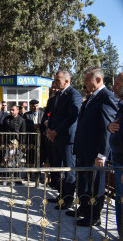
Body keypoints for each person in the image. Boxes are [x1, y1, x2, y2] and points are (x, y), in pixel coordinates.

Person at [72, 67, 118, 226]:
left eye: (87, 80)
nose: (84, 83)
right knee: (84, 182)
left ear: (98, 80)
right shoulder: (92, 97)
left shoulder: (106, 97)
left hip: (95, 152)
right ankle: (84, 209)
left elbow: (108, 128)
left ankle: (94, 216)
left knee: (95, 184)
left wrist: (102, 154)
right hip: (84, 150)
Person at [46, 71, 82, 210]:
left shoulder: (74, 94)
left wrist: (57, 131)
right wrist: (50, 129)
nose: (55, 82)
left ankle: (67, 200)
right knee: (59, 168)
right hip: (56, 137)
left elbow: (72, 117)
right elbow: (53, 115)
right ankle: (61, 195)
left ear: (67, 81)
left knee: (69, 170)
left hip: (67, 139)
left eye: (57, 80)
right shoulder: (58, 95)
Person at [107, 72, 123, 238]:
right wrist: (109, 127)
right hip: (118, 160)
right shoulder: (120, 106)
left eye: (117, 84)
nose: (113, 87)